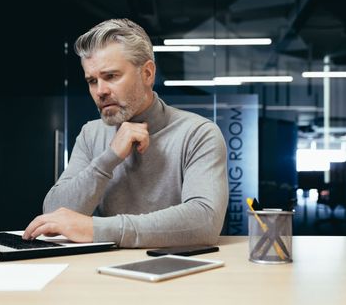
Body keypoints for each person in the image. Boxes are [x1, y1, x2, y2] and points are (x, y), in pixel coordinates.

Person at [23, 18, 229, 248]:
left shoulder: (199, 134)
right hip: (102, 274)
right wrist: (109, 158)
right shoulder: (91, 134)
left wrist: (97, 229)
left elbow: (205, 222)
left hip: (177, 273)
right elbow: (54, 215)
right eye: (92, 81)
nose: (100, 91)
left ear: (148, 74)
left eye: (111, 76)